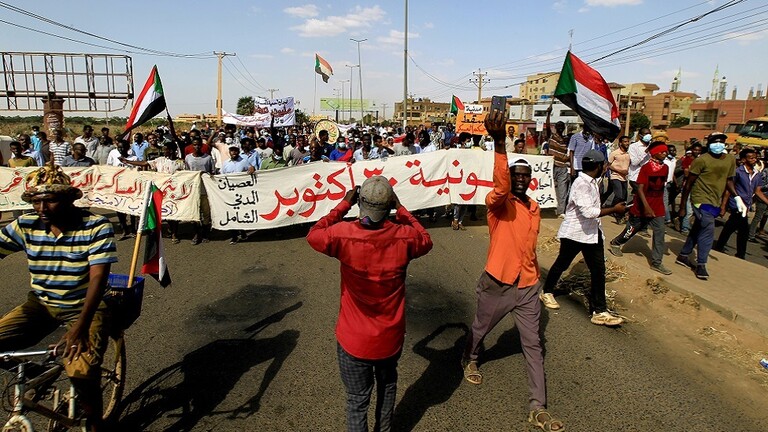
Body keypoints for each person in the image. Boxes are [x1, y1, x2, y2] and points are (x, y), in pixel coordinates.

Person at [461, 110, 564, 432]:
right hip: (497, 282)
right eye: (515, 175)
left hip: (528, 285)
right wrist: (499, 144)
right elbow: (501, 184)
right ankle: (471, 357)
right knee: (481, 329)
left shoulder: (534, 208)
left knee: (533, 344)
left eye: (524, 176)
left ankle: (538, 407)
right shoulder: (498, 204)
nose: (519, 180)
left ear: (530, 180)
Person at [306, 177, 432, 432]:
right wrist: (403, 209)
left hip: (353, 341)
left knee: (356, 401)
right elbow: (425, 238)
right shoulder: (405, 237)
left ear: (360, 204)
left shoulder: (342, 234)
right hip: (389, 339)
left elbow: (313, 235)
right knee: (387, 392)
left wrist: (342, 205)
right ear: (389, 206)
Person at [0, 164, 117, 432]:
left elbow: (98, 279)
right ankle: (37, 375)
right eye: (36, 201)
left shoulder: (95, 225)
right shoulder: (25, 224)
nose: (42, 208)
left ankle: (97, 423)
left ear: (68, 199)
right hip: (41, 304)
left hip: (85, 306)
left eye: (50, 200)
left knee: (81, 372)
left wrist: (80, 328)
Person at [539, 150, 627, 325]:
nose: (605, 167)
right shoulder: (581, 184)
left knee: (598, 271)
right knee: (562, 263)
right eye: (604, 165)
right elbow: (588, 212)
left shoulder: (593, 181)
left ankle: (599, 310)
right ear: (599, 166)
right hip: (575, 233)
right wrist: (614, 210)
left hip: (592, 234)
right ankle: (547, 291)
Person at [676, 132, 741, 280]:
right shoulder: (702, 160)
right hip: (700, 198)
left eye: (721, 142)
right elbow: (689, 184)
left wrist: (737, 197)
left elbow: (729, 180)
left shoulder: (730, 160)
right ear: (709, 144)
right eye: (714, 142)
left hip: (714, 200)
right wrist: (682, 207)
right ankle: (701, 264)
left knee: (699, 227)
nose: (718, 145)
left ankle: (684, 255)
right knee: (708, 229)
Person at [609, 141, 672, 275]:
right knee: (632, 229)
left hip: (658, 206)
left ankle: (657, 262)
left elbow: (661, 188)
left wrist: (661, 205)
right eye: (662, 151)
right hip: (642, 205)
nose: (665, 154)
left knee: (660, 233)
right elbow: (640, 189)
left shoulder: (665, 168)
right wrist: (647, 207)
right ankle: (616, 242)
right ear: (655, 153)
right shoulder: (646, 168)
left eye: (666, 151)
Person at [714, 148, 768, 259]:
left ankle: (720, 246)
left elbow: (757, 191)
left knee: (730, 227)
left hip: (746, 205)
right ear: (744, 159)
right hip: (736, 204)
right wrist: (723, 206)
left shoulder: (757, 174)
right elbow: (729, 189)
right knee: (743, 229)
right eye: (751, 158)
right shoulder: (738, 172)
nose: (754, 159)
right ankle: (740, 254)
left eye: (755, 157)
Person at [184, 138, 214, 244]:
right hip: (193, 191)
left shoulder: (208, 158)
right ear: (192, 146)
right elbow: (187, 173)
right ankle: (197, 234)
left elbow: (212, 172)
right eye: (195, 145)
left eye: (198, 145)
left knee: (206, 213)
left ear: (202, 146)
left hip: (205, 190)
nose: (197, 147)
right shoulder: (188, 158)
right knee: (194, 213)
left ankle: (205, 233)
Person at [545, 119, 570, 217]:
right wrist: (548, 114)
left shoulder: (566, 140)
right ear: (555, 128)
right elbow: (547, 126)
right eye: (558, 126)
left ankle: (561, 211)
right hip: (552, 166)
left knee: (562, 190)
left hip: (563, 167)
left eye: (562, 127)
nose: (560, 128)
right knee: (547, 187)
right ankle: (546, 206)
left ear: (564, 129)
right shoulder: (551, 137)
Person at [605, 135, 631, 220]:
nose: (627, 143)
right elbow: (608, 165)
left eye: (628, 141)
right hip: (615, 177)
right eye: (625, 142)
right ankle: (613, 210)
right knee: (619, 195)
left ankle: (617, 211)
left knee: (624, 197)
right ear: (620, 143)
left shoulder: (628, 154)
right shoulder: (615, 153)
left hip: (624, 178)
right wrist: (620, 171)